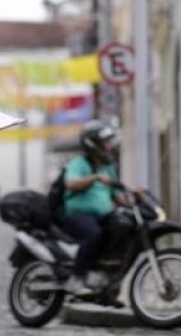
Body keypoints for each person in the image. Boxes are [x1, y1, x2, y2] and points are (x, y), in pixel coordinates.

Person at [60, 120, 126, 295]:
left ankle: (106, 274)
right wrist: (94, 178)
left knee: (123, 226)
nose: (110, 145)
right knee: (92, 234)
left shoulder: (108, 167)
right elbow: (71, 183)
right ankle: (77, 278)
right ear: (93, 144)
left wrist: (133, 197)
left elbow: (115, 193)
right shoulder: (79, 163)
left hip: (103, 215)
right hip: (77, 215)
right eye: (106, 142)